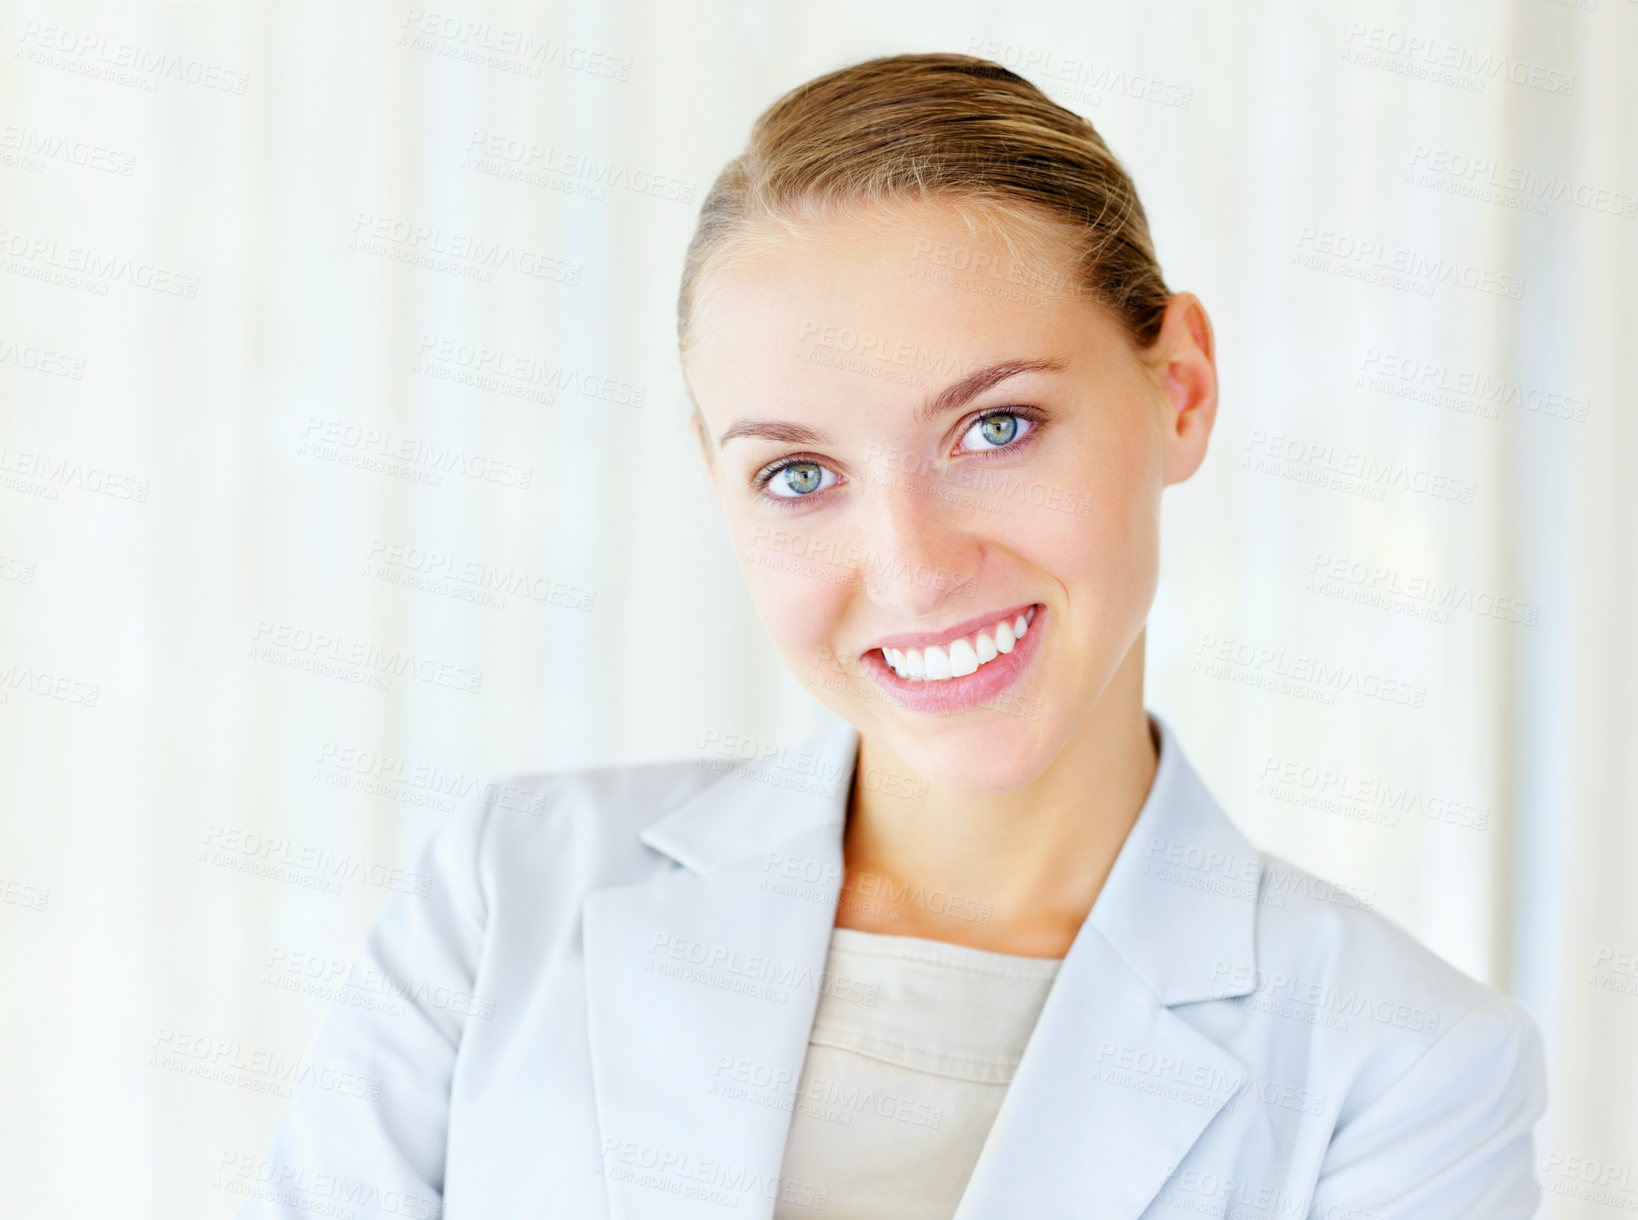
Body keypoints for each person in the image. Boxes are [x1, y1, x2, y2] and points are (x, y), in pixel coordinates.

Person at [237, 52, 1546, 1220]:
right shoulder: (507, 896)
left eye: (995, 427)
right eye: (799, 475)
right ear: (716, 480)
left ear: (1180, 388)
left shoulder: (1404, 1069)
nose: (912, 571)